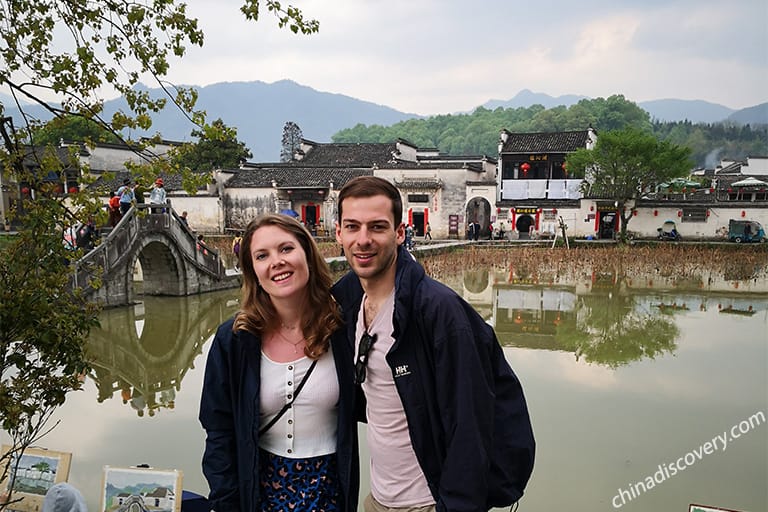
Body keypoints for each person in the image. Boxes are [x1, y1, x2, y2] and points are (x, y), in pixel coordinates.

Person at [332, 176, 535, 512]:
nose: (363, 240)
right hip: (377, 499)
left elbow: (470, 422)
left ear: (400, 233)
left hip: (429, 502)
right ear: (339, 233)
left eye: (377, 227)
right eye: (353, 227)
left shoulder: (439, 311)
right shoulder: (347, 302)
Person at [199, 213, 358, 512]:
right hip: (260, 489)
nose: (276, 262)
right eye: (262, 255)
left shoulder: (342, 327)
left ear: (307, 255)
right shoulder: (234, 340)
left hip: (329, 489)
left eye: (286, 249)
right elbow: (218, 430)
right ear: (253, 270)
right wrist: (225, 501)